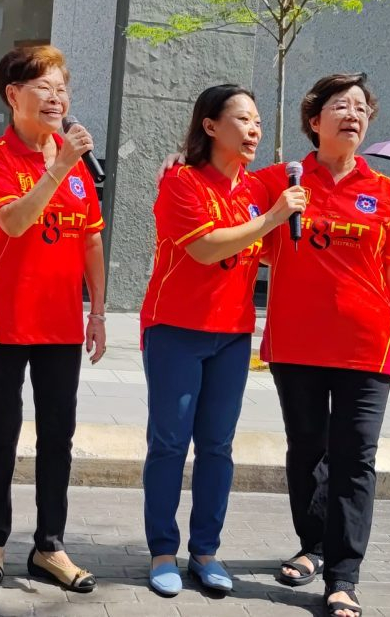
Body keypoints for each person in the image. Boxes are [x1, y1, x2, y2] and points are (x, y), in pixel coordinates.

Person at [254, 74, 390, 617]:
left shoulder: (388, 193)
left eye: (360, 108)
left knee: (355, 461)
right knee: (307, 452)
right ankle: (312, 544)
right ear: (314, 120)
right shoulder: (282, 179)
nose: (352, 115)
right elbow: (223, 188)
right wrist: (177, 164)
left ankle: (342, 576)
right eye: (339, 106)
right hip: (296, 345)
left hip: (369, 349)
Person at [140, 84, 306, 598]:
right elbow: (207, 250)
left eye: (258, 121)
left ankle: (206, 552)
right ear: (210, 126)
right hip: (175, 329)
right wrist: (274, 217)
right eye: (243, 119)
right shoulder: (183, 184)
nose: (254, 130)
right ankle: (163, 551)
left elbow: (318, 168)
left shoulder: (259, 186)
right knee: (169, 444)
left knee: (218, 446)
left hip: (232, 335)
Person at [0, 45, 106, 593]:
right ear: (12, 95)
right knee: (1, 433)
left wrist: (98, 310)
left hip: (61, 323)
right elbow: (17, 223)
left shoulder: (74, 165)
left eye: (63, 88)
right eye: (44, 86)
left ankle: (50, 545)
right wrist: (59, 168)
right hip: (4, 318)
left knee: (58, 437)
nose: (57, 97)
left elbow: (91, 239)